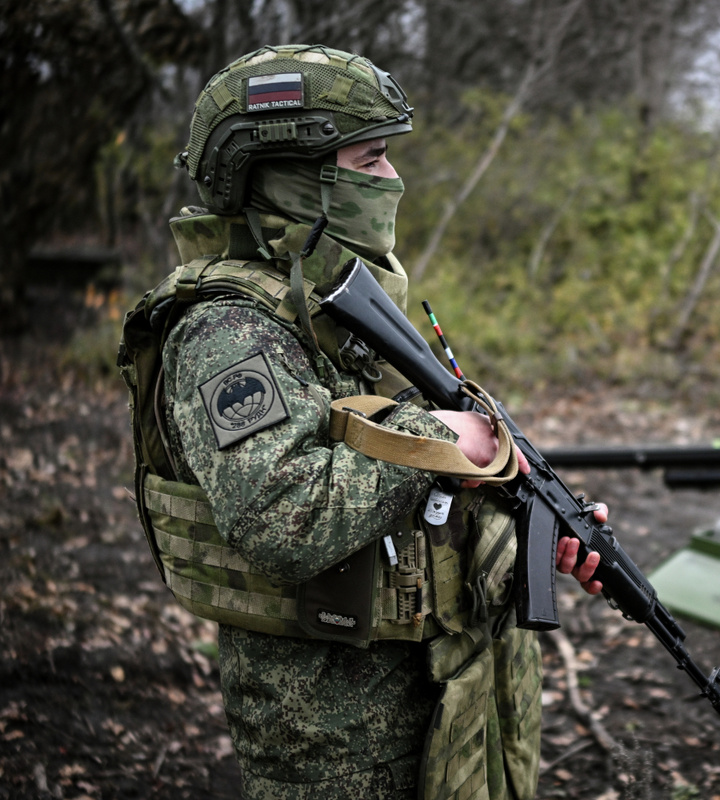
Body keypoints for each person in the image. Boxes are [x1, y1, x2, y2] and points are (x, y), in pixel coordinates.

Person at [117, 44, 602, 799]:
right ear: (291, 176)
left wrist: (532, 527)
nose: (392, 178)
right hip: (338, 735)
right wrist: (440, 440)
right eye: (370, 160)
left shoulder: (331, 306)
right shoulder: (228, 333)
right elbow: (283, 514)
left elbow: (399, 487)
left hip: (436, 692)